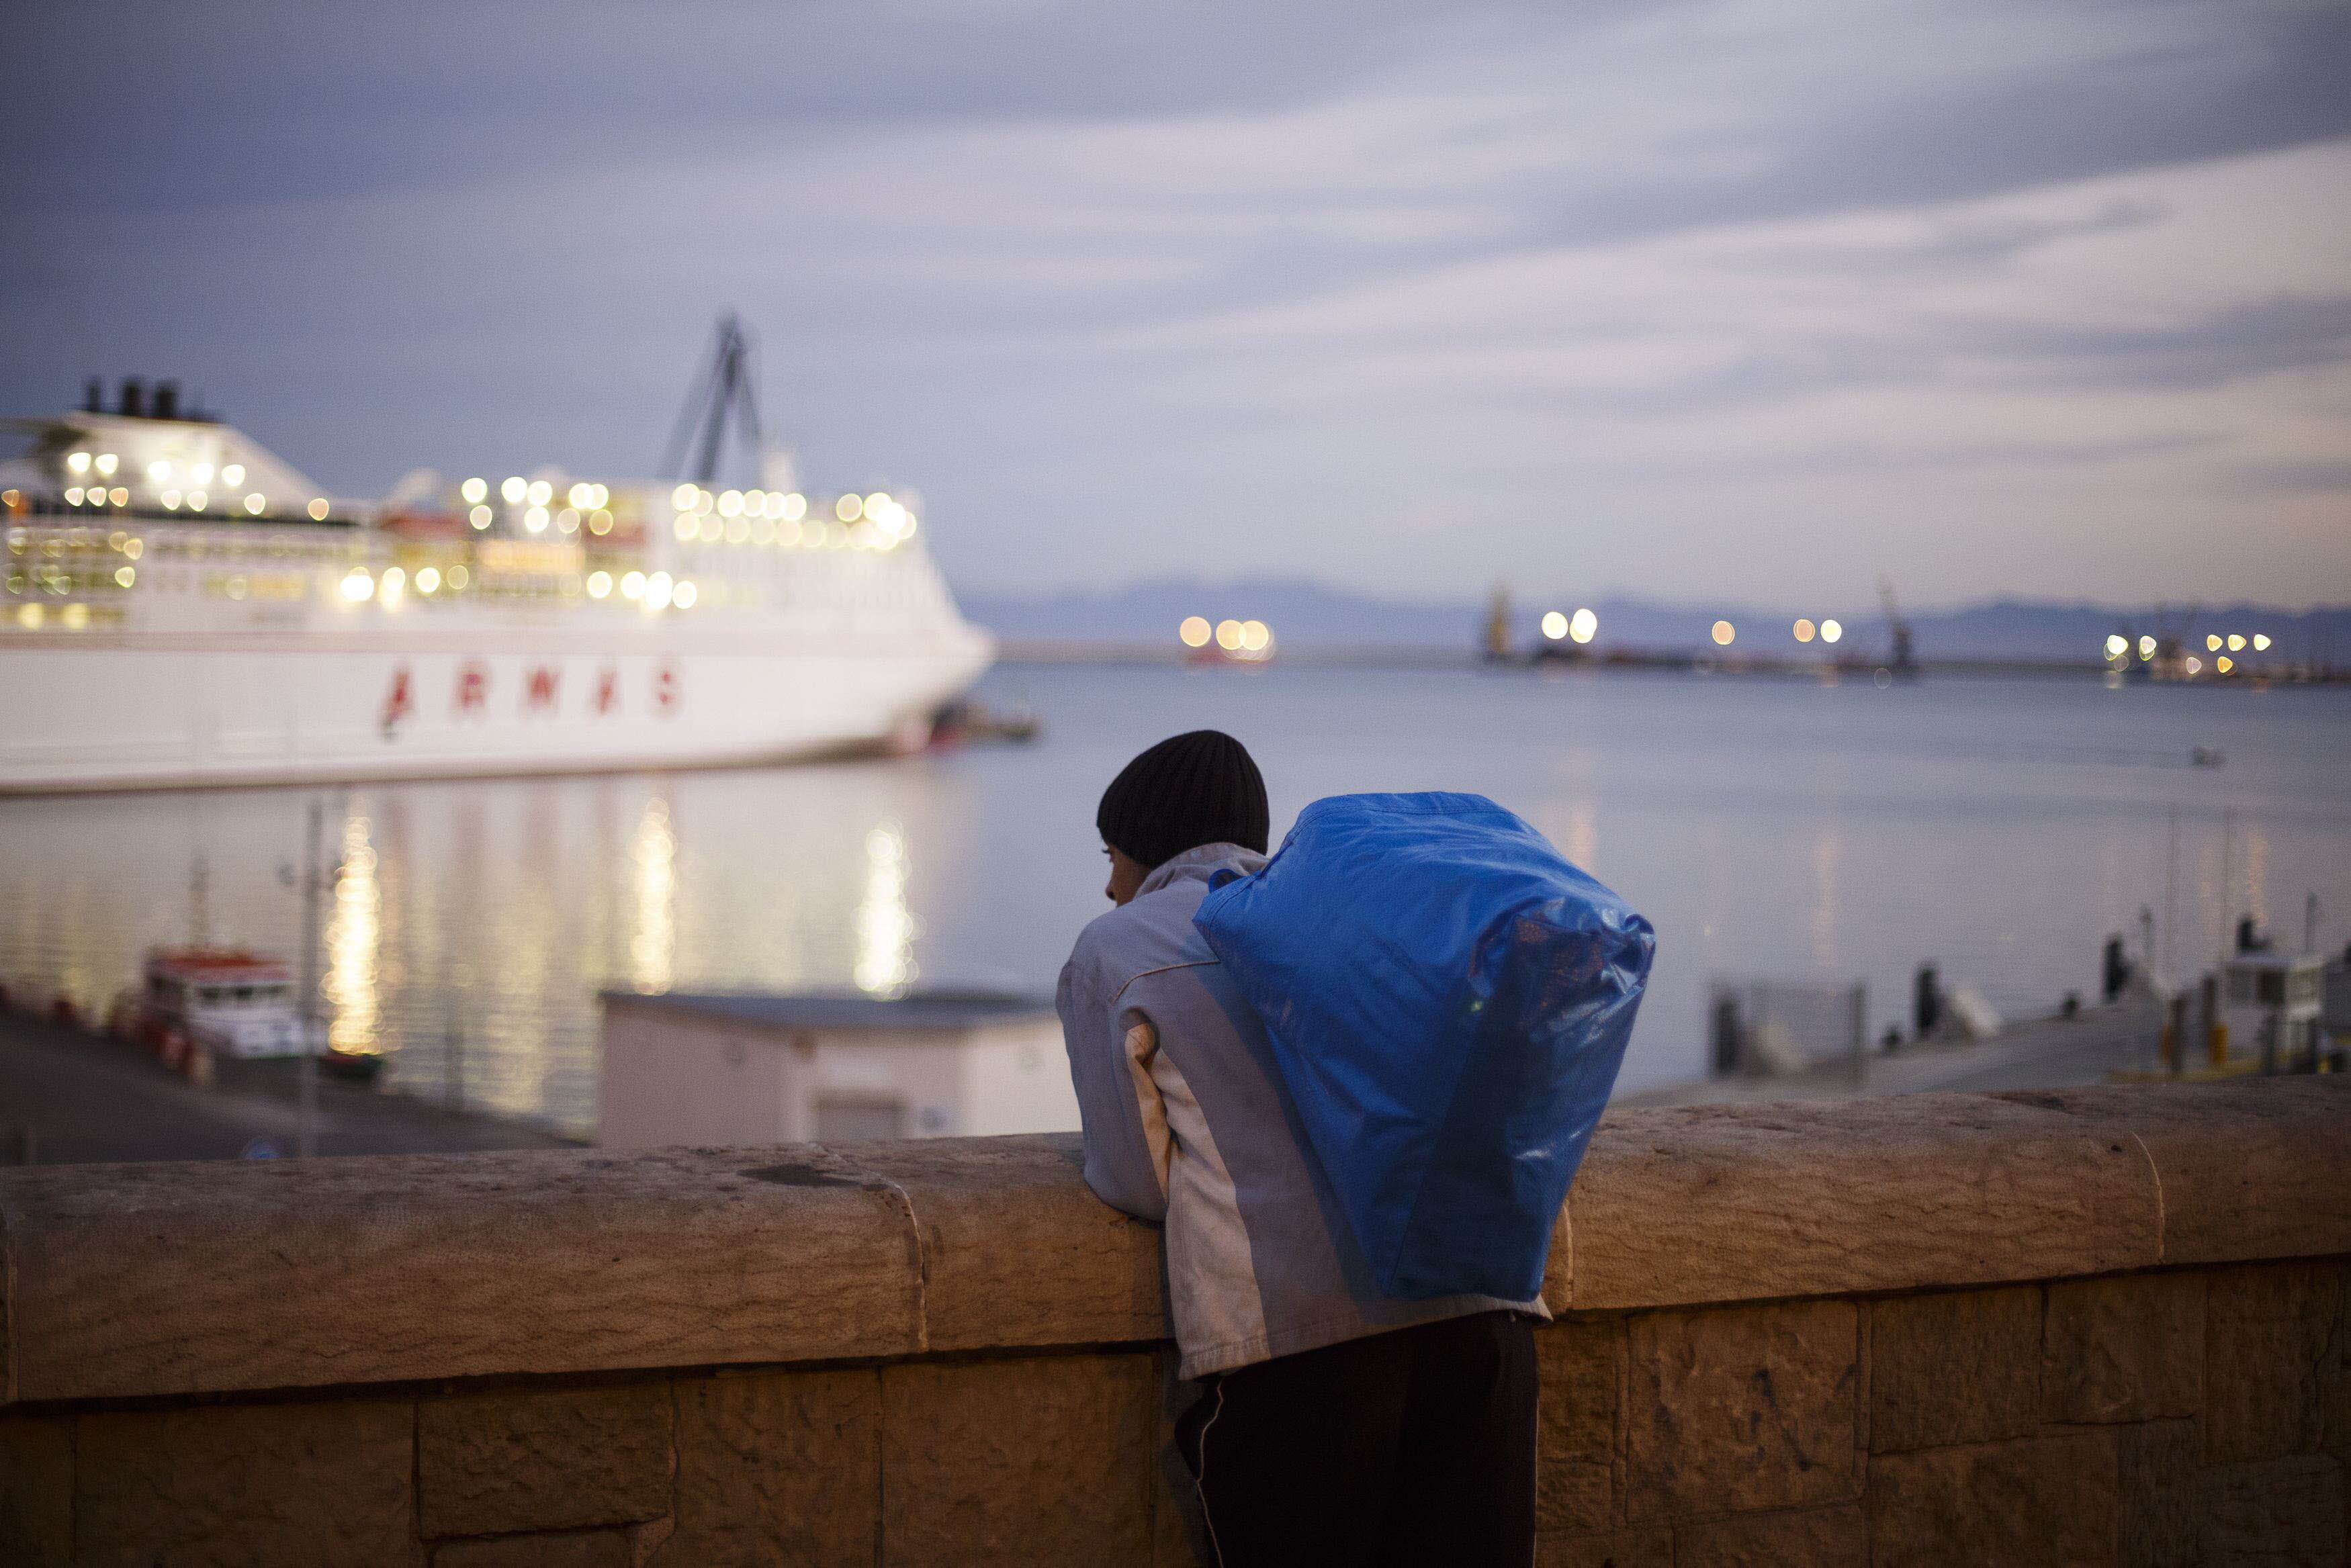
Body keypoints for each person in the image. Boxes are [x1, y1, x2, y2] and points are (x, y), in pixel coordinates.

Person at [1057, 729, 1546, 1568]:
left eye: (1113, 853)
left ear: (1147, 846)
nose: (1109, 883)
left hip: (1301, 1359)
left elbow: (1137, 1182)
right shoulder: (1342, 912)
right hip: (1482, 1330)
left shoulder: (1120, 948)